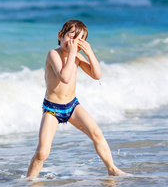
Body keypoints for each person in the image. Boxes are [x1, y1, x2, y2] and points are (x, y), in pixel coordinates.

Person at [27, 20, 126, 178]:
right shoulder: (53, 54)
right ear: (60, 36)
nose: (74, 43)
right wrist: (73, 53)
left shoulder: (77, 57)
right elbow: (64, 77)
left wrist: (89, 53)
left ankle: (112, 169)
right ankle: (30, 181)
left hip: (72, 106)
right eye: (71, 37)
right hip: (52, 109)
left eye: (80, 41)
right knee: (42, 152)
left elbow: (96, 75)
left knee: (97, 133)